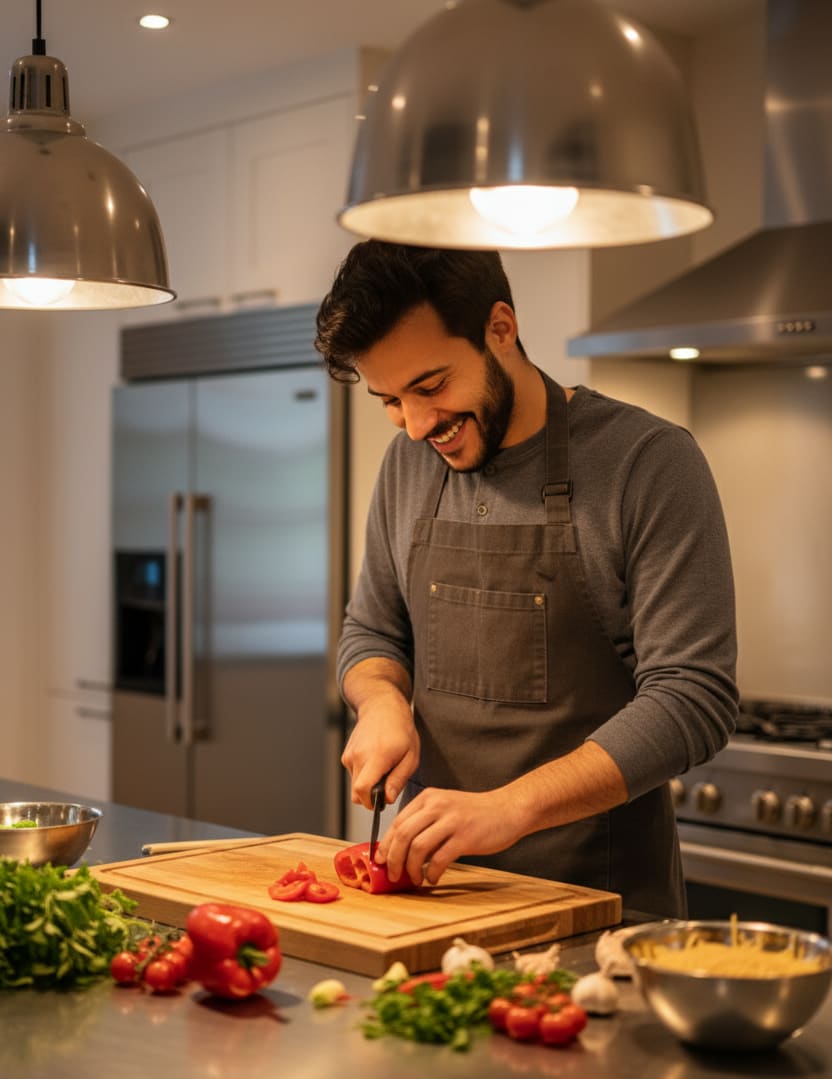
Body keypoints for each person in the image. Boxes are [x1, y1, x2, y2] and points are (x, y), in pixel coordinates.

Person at [314, 240, 738, 917]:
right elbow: (371, 631)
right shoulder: (407, 465)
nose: (419, 425)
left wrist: (511, 808)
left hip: (598, 911)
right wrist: (381, 702)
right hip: (428, 904)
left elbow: (694, 696)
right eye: (391, 400)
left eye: (430, 386)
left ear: (500, 329)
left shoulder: (649, 462)